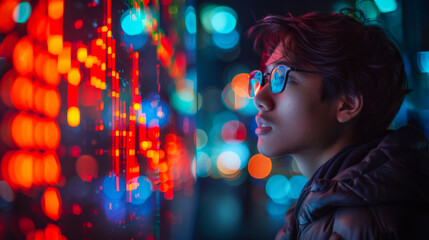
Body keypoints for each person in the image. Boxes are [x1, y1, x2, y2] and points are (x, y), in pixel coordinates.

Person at [247, 10, 429, 239]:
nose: (259, 99)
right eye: (264, 79)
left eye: (281, 78)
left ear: (347, 105)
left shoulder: (365, 225)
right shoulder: (318, 209)